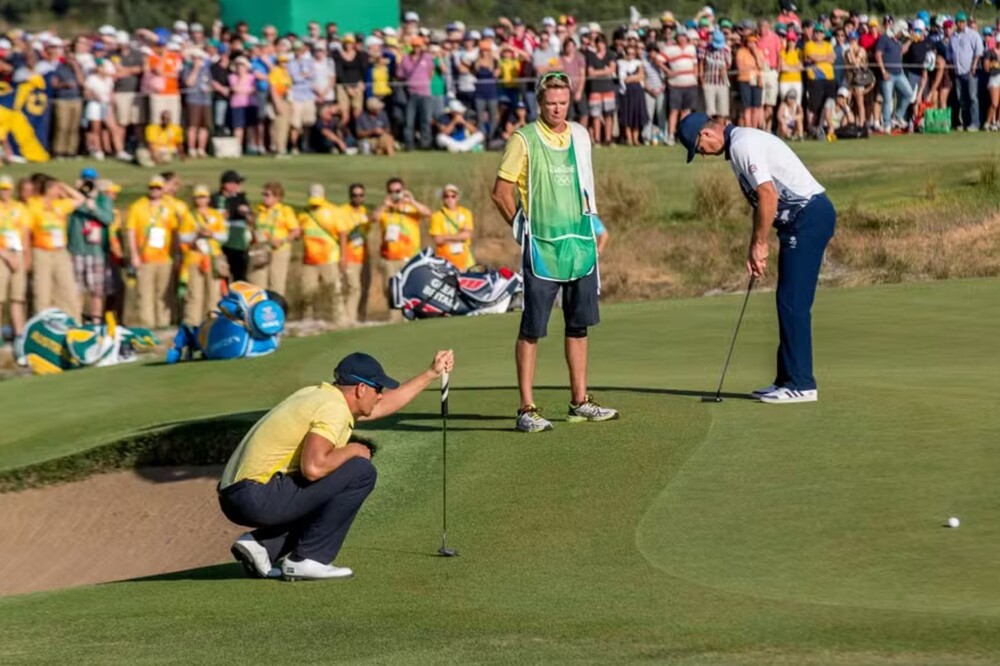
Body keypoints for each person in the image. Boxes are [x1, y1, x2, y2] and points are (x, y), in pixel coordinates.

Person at [218, 349, 455, 581]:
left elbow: (382, 406)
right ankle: (308, 560)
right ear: (362, 389)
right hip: (255, 495)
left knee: (334, 480)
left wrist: (431, 374)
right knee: (360, 472)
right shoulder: (334, 409)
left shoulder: (320, 395)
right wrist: (355, 449)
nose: (381, 395)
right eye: (378, 389)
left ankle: (262, 545)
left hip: (239, 494)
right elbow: (314, 468)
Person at [492, 71, 620, 432]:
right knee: (532, 328)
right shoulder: (524, 139)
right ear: (539, 103)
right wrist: (521, 228)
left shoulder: (580, 134)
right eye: (551, 103)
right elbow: (500, 192)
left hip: (579, 245)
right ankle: (526, 408)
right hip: (543, 248)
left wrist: (596, 225)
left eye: (563, 102)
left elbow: (585, 186)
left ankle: (579, 401)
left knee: (578, 326)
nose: (558, 109)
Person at [677, 112, 836, 403]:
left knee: (793, 302)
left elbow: (768, 195)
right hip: (801, 220)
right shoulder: (739, 144)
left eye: (698, 149)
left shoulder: (742, 144)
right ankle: (786, 379)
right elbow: (761, 201)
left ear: (707, 134)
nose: (702, 155)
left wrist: (759, 244)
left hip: (810, 217)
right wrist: (756, 243)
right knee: (787, 300)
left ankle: (802, 383)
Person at [126, 175, 181, 329]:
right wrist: (134, 254)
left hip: (165, 257)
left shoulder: (169, 208)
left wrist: (177, 253)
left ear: (163, 190)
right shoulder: (138, 207)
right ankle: (147, 324)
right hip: (145, 257)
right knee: (145, 293)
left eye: (158, 188)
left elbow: (175, 232)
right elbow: (131, 231)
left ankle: (163, 322)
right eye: (152, 188)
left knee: (164, 293)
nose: (155, 191)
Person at [372, 177, 430, 322]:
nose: (395, 194)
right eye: (391, 191)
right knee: (391, 292)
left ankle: (411, 317)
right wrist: (385, 205)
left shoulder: (411, 208)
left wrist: (412, 201)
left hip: (410, 258)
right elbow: (374, 218)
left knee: (411, 290)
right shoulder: (386, 210)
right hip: (390, 258)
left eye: (398, 191)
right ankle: (394, 320)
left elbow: (428, 213)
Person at [30, 178, 84, 314]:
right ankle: (42, 321)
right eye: (56, 188)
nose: (60, 191)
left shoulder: (60, 205)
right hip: (42, 252)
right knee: (43, 290)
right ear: (48, 190)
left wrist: (64, 186)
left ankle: (73, 320)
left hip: (60, 252)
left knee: (67, 288)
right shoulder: (34, 205)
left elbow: (80, 199)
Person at [66, 172, 114, 323]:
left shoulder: (103, 200)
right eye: (85, 180)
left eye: (91, 180)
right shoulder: (73, 199)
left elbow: (108, 219)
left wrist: (93, 207)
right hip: (77, 250)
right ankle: (76, 318)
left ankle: (96, 321)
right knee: (76, 289)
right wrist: (75, 192)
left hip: (96, 251)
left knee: (97, 290)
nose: (88, 184)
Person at [177, 184, 228, 325]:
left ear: (208, 199)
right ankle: (192, 322)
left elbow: (224, 237)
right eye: (198, 197)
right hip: (195, 258)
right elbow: (182, 237)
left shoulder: (216, 215)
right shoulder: (189, 216)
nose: (201, 200)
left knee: (214, 293)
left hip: (213, 258)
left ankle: (214, 321)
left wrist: (211, 234)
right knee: (194, 293)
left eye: (203, 197)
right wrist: (196, 234)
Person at [299, 184, 347, 323]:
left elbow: (342, 234)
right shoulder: (304, 214)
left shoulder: (333, 211)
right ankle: (307, 320)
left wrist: (343, 257)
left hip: (329, 259)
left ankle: (339, 320)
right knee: (307, 292)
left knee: (334, 291)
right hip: (309, 261)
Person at [250, 182, 300, 295]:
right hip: (261, 250)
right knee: (257, 282)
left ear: (277, 197)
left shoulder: (285, 211)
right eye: (263, 194)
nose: (264, 198)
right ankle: (259, 309)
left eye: (267, 195)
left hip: (279, 250)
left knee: (276, 283)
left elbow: (296, 231)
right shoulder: (259, 210)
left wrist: (283, 241)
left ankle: (275, 309)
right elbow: (253, 228)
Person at [0, 175, 30, 356]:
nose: (4, 192)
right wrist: (5, 255)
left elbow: (25, 234)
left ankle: (19, 336)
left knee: (18, 298)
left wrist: (24, 256)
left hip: (17, 253)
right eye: (1, 189)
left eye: (6, 188)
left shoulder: (20, 208)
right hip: (1, 254)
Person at [213, 170, 253, 282]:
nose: (238, 186)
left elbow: (251, 220)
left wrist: (247, 213)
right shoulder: (215, 198)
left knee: (239, 277)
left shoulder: (241, 198)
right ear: (226, 184)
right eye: (236, 183)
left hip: (238, 244)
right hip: (219, 244)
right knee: (220, 277)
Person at [340, 184, 370, 325]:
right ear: (350, 196)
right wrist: (343, 257)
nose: (358, 198)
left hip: (363, 257)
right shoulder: (343, 211)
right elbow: (343, 235)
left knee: (364, 288)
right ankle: (349, 319)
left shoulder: (364, 211)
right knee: (353, 287)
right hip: (350, 256)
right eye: (355, 195)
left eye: (361, 195)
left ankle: (361, 317)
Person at [663, 31, 699, 146]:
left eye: (684, 36)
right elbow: (658, 59)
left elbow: (695, 64)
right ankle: (671, 135)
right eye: (680, 36)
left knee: (686, 111)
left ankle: (682, 135)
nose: (682, 39)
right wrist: (668, 71)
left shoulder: (691, 48)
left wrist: (696, 76)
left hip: (690, 84)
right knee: (674, 110)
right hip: (675, 85)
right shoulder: (669, 49)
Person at [949, 12, 984, 132]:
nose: (961, 24)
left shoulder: (973, 34)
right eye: (959, 22)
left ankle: (975, 123)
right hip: (958, 72)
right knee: (961, 99)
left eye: (963, 21)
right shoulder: (953, 36)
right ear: (956, 23)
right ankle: (966, 122)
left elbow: (979, 51)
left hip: (970, 71)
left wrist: (974, 65)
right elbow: (950, 52)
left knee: (973, 97)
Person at [428, 184, 474, 270]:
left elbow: (467, 235)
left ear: (458, 197)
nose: (450, 199)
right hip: (444, 262)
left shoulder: (466, 213)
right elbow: (437, 240)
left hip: (465, 261)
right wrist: (459, 236)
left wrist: (445, 237)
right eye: (446, 196)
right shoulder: (436, 216)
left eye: (453, 196)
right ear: (442, 198)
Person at [585, 35, 617, 146]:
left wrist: (598, 72)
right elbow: (590, 73)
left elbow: (613, 69)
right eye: (598, 42)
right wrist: (605, 71)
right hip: (595, 89)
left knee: (608, 114)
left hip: (608, 88)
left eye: (602, 42)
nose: (600, 44)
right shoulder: (591, 56)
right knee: (596, 115)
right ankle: (597, 139)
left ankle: (608, 138)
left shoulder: (610, 54)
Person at [616, 44, 648, 146]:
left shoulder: (639, 63)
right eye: (629, 53)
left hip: (638, 91)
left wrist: (632, 78)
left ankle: (636, 139)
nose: (631, 56)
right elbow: (623, 79)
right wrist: (635, 77)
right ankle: (629, 139)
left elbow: (641, 76)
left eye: (633, 54)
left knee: (636, 115)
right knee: (627, 115)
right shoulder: (621, 63)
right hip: (627, 92)